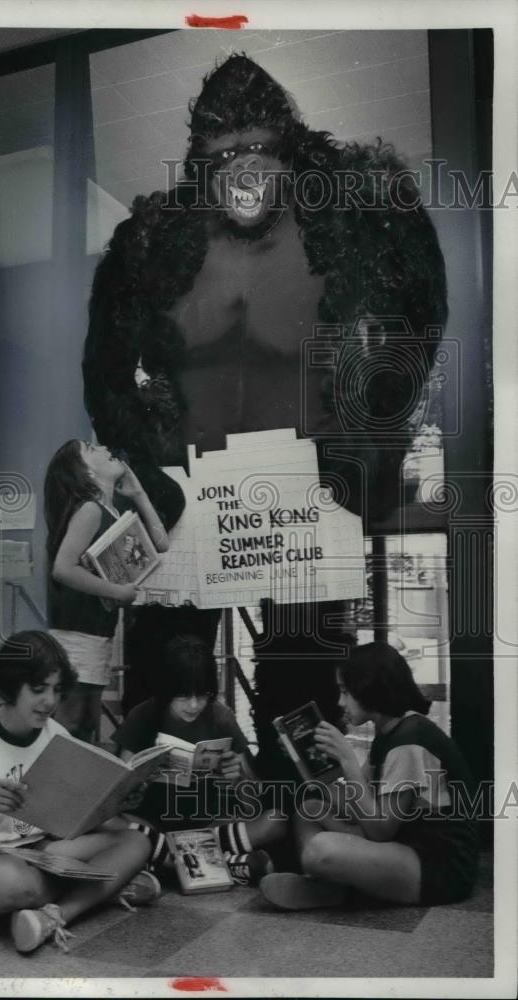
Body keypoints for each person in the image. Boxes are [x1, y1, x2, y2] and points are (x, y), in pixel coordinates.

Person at [82, 52, 448, 754]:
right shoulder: (152, 244)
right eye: (222, 156)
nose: (242, 172)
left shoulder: (345, 224)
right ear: (198, 162)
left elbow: (419, 321)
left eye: (257, 151)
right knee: (164, 697)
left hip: (304, 498)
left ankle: (290, 841)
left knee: (302, 703)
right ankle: (160, 845)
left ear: (290, 150)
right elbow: (102, 371)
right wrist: (142, 462)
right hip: (187, 496)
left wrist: (371, 432)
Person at [0, 631, 159, 955]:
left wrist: (114, 802)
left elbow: (65, 821)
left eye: (57, 690)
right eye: (38, 689)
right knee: (16, 883)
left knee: (135, 840)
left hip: (38, 851)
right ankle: (102, 889)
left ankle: (56, 914)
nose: (50, 701)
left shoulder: (56, 736)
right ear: (10, 686)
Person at [259, 642, 479, 910]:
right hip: (403, 845)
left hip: (438, 867)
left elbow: (380, 831)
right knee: (309, 810)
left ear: (369, 689)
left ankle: (335, 888)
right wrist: (307, 762)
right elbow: (358, 807)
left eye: (344, 691)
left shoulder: (409, 740)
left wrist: (349, 760)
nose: (340, 702)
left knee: (320, 850)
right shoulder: (388, 733)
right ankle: (329, 886)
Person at [113, 634, 289, 886]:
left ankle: (166, 863)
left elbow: (253, 803)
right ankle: (227, 863)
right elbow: (117, 791)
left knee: (276, 820)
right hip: (152, 824)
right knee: (110, 825)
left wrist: (238, 776)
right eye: (183, 696)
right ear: (165, 690)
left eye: (203, 695)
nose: (194, 705)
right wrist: (136, 787)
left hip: (210, 827)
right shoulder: (142, 716)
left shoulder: (220, 717)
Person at [44, 439, 169, 743]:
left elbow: (161, 543)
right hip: (76, 634)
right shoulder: (90, 510)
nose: (104, 449)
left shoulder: (112, 510)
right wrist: (116, 591)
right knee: (72, 724)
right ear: (84, 470)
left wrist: (138, 494)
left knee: (86, 722)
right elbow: (63, 568)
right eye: (91, 448)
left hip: (98, 634)